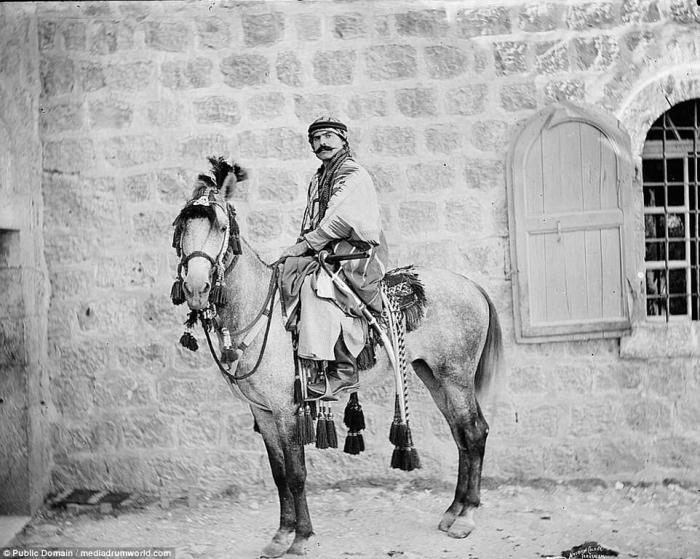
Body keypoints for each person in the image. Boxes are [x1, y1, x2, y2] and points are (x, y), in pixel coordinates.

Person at [280, 116, 388, 398]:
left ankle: (343, 370)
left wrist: (306, 245)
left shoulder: (352, 173)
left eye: (328, 136)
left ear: (343, 140)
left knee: (316, 285)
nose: (321, 143)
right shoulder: (318, 178)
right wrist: (298, 247)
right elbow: (311, 220)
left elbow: (338, 220)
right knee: (287, 274)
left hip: (357, 252)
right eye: (315, 138)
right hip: (329, 248)